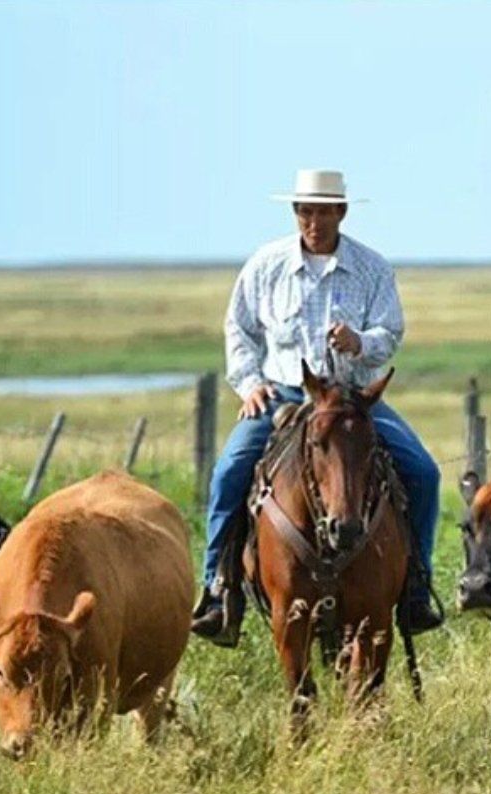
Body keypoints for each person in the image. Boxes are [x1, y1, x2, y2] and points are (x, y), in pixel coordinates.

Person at [191, 169, 443, 642]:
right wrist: (249, 385)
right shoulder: (266, 267)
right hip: (284, 395)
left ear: (341, 212)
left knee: (424, 473)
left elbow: (390, 334)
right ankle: (219, 590)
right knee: (229, 472)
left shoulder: (371, 268)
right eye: (306, 210)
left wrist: (358, 342)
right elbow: (239, 329)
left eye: (324, 210)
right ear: (295, 213)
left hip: (351, 401)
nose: (314, 220)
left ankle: (415, 588)